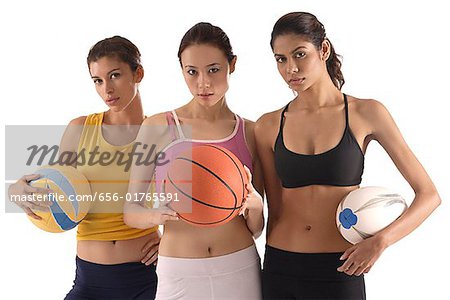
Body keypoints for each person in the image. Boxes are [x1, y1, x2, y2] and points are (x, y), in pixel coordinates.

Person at [255, 12, 442, 299]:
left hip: (341, 269)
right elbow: (270, 210)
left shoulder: (366, 113)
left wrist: (381, 241)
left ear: (324, 50)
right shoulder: (268, 125)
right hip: (281, 267)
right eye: (281, 59)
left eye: (300, 54)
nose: (291, 68)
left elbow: (429, 194)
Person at [8, 36, 160, 299]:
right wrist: (15, 192)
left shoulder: (160, 132)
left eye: (115, 75)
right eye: (98, 81)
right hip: (91, 281)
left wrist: (171, 241)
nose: (107, 90)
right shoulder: (80, 129)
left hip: (146, 278)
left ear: (138, 73)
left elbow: (185, 203)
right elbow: (53, 186)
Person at [124, 22, 264, 300]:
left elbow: (255, 229)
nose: (203, 83)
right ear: (182, 71)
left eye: (214, 69)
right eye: (192, 72)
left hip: (238, 265)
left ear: (231, 65)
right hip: (179, 269)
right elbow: (131, 210)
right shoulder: (157, 126)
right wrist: (155, 215)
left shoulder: (250, 131)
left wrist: (257, 206)